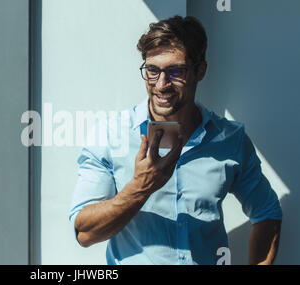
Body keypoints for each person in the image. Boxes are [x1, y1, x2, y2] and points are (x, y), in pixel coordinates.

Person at [69, 15, 282, 265]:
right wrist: (141, 186)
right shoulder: (110, 135)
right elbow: (84, 233)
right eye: (152, 71)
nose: (161, 84)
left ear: (200, 71)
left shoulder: (230, 139)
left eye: (175, 71)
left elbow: (267, 212)